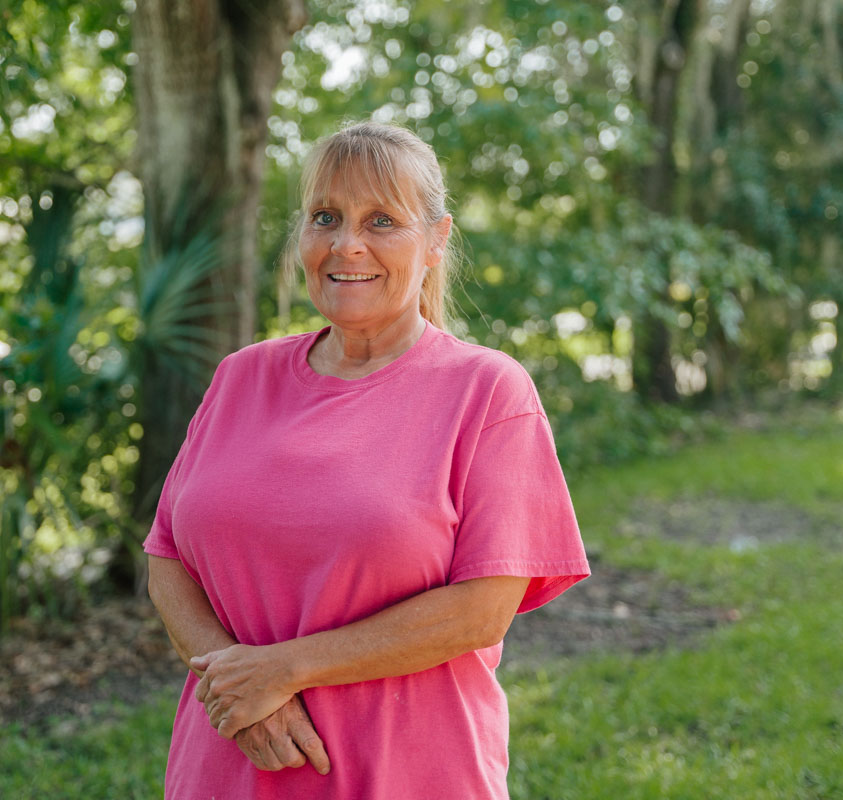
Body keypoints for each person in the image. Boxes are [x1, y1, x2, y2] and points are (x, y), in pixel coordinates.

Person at [144, 121, 590, 799]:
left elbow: (481, 611)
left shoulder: (488, 391)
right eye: (326, 217)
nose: (346, 244)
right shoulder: (241, 377)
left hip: (406, 775)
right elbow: (167, 553)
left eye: (381, 220)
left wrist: (283, 670)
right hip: (226, 770)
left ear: (436, 239)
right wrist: (235, 687)